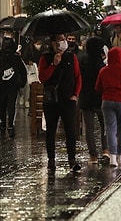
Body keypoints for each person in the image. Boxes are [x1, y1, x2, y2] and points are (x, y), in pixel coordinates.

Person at [38, 34, 82, 172]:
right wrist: (53, 65)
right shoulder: (45, 58)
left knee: (70, 130)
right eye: (59, 40)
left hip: (68, 99)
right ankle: (51, 160)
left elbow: (77, 76)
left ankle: (72, 159)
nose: (63, 42)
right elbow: (42, 77)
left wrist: (75, 94)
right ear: (53, 43)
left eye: (64, 39)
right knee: (51, 131)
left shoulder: (71, 57)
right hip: (51, 100)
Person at [95, 47, 121, 167]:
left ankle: (112, 157)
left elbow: (97, 87)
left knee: (110, 129)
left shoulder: (103, 71)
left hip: (107, 101)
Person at [79, 36, 109, 164]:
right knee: (105, 125)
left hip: (85, 98)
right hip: (100, 98)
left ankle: (93, 155)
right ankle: (106, 150)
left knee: (89, 128)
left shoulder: (82, 61)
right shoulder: (100, 64)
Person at [0, 37, 27, 137]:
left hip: (2, 86)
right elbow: (23, 71)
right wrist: (21, 83)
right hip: (13, 86)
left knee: (2, 106)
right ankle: (10, 126)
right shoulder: (16, 57)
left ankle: (3, 124)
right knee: (11, 105)